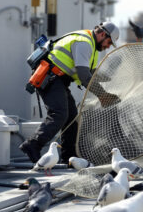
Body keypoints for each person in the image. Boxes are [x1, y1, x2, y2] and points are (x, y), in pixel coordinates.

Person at [20, 21, 121, 163]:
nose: (108, 46)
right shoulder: (84, 43)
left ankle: (68, 157)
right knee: (59, 114)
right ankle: (32, 145)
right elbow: (84, 76)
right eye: (109, 42)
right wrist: (102, 95)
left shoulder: (89, 43)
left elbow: (89, 72)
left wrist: (111, 78)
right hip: (49, 77)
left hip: (57, 80)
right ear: (103, 34)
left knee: (72, 118)